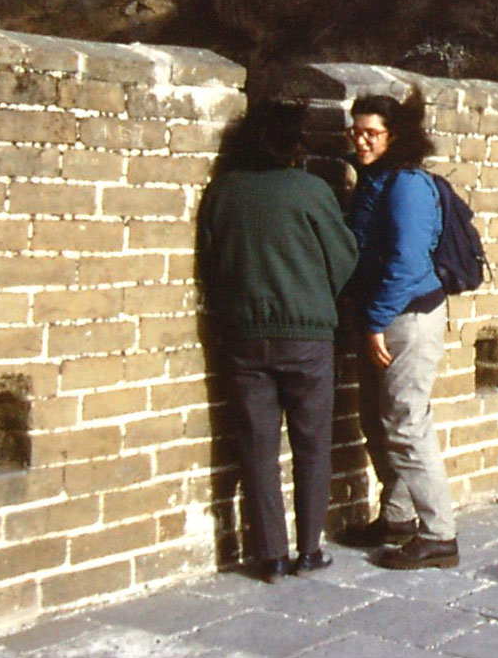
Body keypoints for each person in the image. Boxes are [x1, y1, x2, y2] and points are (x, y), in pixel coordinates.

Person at [196, 100, 359, 582]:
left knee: (257, 449)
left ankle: (270, 555)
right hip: (308, 338)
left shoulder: (223, 193)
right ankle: (309, 549)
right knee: (312, 445)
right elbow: (344, 259)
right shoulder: (312, 191)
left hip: (245, 337)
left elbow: (210, 262)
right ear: (296, 145)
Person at [342, 91, 460, 569]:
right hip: (383, 314)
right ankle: (396, 518)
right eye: (357, 130)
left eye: (373, 133)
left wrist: (373, 323)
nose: (362, 140)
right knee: (376, 418)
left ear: (395, 137)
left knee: (406, 423)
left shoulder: (407, 186)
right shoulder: (375, 180)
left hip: (407, 318)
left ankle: (440, 534)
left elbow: (408, 263)